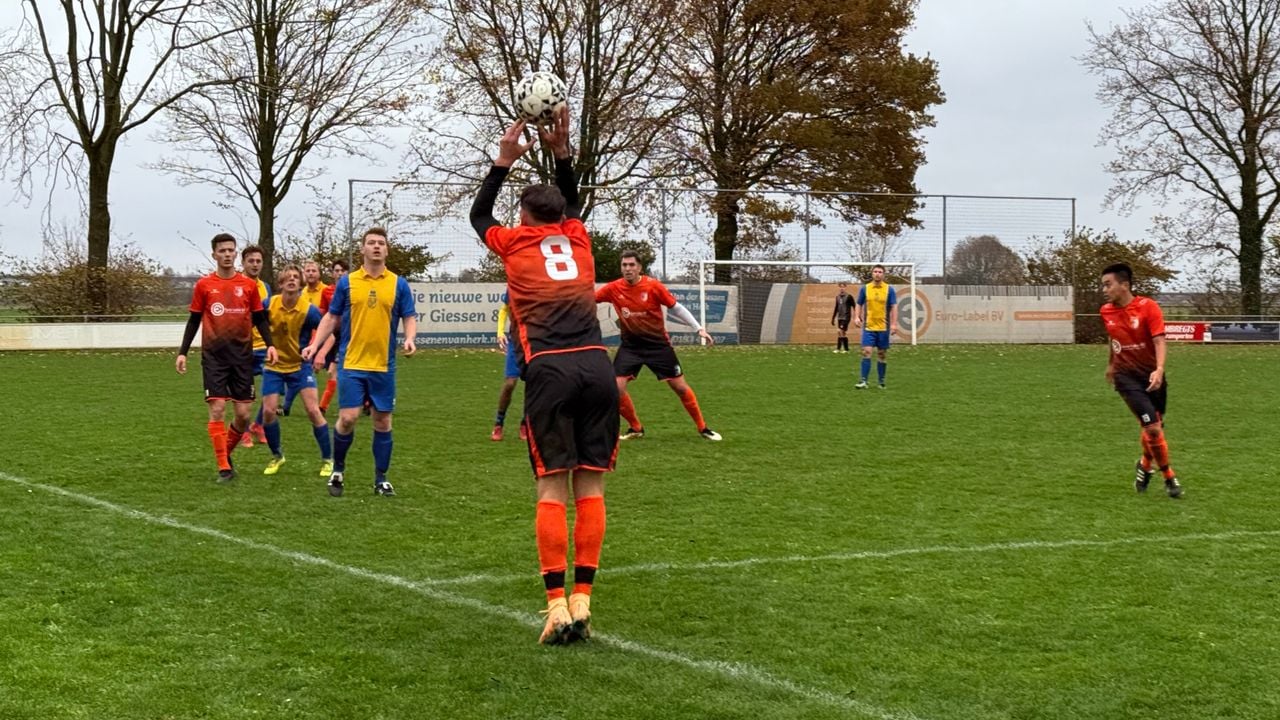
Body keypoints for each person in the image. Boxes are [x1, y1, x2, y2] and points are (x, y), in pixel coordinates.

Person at [469, 107, 616, 645]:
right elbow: (570, 200)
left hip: (550, 370)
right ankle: (584, 598)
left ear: (526, 218)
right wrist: (562, 154)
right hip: (597, 364)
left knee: (552, 489)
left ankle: (556, 605)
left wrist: (502, 162)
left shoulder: (513, 242)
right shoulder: (578, 238)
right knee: (591, 484)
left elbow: (478, 217)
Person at [302, 229, 417, 498]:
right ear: (363, 249)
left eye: (381, 243)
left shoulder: (398, 284)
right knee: (348, 417)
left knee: (382, 420)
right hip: (352, 362)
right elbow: (331, 318)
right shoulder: (348, 283)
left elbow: (409, 316)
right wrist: (315, 345)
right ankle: (338, 470)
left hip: (383, 365)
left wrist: (410, 338)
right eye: (371, 243)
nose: (376, 247)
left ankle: (381, 479)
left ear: (387, 250)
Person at [175, 233, 277, 481]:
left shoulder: (249, 286)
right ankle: (224, 467)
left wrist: (272, 345)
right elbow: (194, 320)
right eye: (223, 251)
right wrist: (182, 352)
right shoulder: (204, 285)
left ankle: (225, 453)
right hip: (214, 358)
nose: (228, 254)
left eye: (231, 250)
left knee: (243, 414)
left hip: (243, 356)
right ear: (214, 255)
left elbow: (260, 318)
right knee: (218, 408)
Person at [595, 250, 722, 442]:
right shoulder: (613, 288)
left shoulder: (653, 286)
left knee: (679, 387)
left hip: (658, 346)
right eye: (624, 265)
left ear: (639, 267)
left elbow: (676, 308)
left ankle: (703, 428)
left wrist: (699, 329)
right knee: (616, 389)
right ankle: (636, 428)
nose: (628, 269)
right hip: (631, 347)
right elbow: (588, 300)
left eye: (632, 265)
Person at [1100, 262, 1182, 498]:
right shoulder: (1106, 311)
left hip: (1151, 375)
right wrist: (1110, 364)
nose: (1105, 290)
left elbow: (1159, 341)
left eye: (1108, 284)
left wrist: (1159, 369)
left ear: (1124, 285)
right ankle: (1169, 476)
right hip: (1125, 376)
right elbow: (1113, 340)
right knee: (1154, 429)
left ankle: (1145, 464)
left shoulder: (1149, 307)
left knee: (1155, 427)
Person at [259, 264, 334, 477]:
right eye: (287, 277)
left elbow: (329, 334)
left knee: (312, 411)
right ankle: (277, 456)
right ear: (281, 283)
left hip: (300, 366)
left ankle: (328, 460)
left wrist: (320, 354)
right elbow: (253, 325)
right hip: (274, 367)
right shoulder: (268, 305)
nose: (292, 280)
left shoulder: (308, 310)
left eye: (295, 277)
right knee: (268, 411)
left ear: (300, 283)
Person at [281, 259, 330, 416]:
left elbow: (329, 319)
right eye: (307, 271)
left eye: (313, 270)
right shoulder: (300, 293)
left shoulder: (327, 291)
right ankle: (286, 406)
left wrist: (321, 349)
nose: (310, 273)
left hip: (322, 338)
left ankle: (364, 401)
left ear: (319, 273)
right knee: (298, 374)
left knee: (335, 372)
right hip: (303, 343)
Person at [241, 246, 272, 445]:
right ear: (243, 263)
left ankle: (258, 425)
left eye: (258, 261)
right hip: (243, 347)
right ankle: (243, 431)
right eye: (251, 261)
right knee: (244, 394)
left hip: (263, 347)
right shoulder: (236, 285)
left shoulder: (266, 287)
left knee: (273, 391)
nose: (255, 265)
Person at [853, 264, 899, 389]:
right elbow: (859, 303)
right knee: (866, 351)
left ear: (883, 274)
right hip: (869, 327)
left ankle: (881, 381)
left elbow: (894, 307)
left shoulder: (889, 290)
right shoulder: (865, 288)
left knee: (881, 354)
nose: (877, 274)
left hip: (883, 327)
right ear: (872, 274)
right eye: (875, 271)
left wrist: (894, 324)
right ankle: (863, 381)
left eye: (880, 272)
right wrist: (857, 317)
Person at [490, 289, 527, 442]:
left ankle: (525, 424)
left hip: (535, 343)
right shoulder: (513, 287)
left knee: (534, 385)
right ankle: (499, 423)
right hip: (516, 343)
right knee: (510, 383)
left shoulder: (540, 286)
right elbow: (504, 309)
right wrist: (500, 332)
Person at [316, 259, 349, 414]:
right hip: (330, 336)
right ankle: (367, 400)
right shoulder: (327, 291)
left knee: (333, 370)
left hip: (346, 336)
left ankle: (322, 406)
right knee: (334, 370)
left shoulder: (352, 289)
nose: (339, 273)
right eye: (336, 270)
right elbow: (324, 313)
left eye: (342, 270)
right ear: (332, 274)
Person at [831, 281, 855, 353]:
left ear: (845, 287)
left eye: (843, 287)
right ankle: (845, 349)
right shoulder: (837, 297)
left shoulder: (849, 297)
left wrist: (857, 316)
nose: (842, 288)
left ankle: (840, 348)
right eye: (840, 287)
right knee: (841, 333)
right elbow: (836, 308)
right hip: (840, 317)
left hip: (846, 317)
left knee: (840, 331)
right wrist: (833, 318)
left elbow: (854, 306)